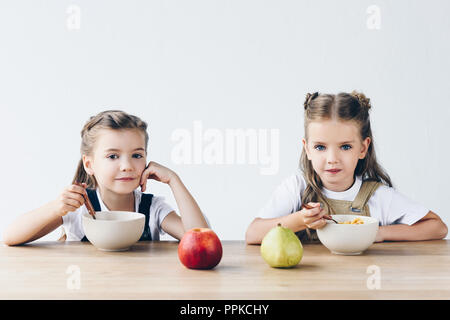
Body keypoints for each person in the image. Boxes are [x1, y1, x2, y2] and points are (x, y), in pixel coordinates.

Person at [246, 91, 448, 244]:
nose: (332, 159)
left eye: (345, 147)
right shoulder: (297, 188)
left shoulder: (378, 196)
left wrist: (379, 232)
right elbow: (253, 234)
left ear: (363, 148)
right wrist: (300, 220)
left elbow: (438, 228)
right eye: (320, 147)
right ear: (307, 149)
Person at [3, 110, 208, 245]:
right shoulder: (79, 208)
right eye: (112, 156)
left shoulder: (153, 208)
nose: (127, 166)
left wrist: (174, 180)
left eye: (137, 155)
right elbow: (10, 237)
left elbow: (202, 239)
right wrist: (56, 207)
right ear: (89, 164)